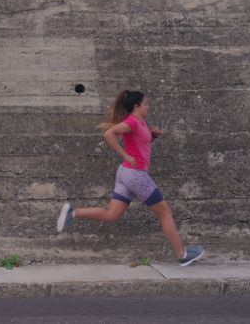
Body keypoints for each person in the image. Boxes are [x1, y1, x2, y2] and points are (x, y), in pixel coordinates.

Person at [56, 90, 204, 267]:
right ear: (137, 106)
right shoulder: (132, 121)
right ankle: (183, 254)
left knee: (112, 214)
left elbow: (140, 145)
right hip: (135, 174)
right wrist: (124, 155)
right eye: (146, 104)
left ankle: (73, 213)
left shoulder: (140, 122)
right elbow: (109, 134)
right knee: (165, 212)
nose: (148, 106)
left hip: (125, 174)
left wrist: (153, 137)